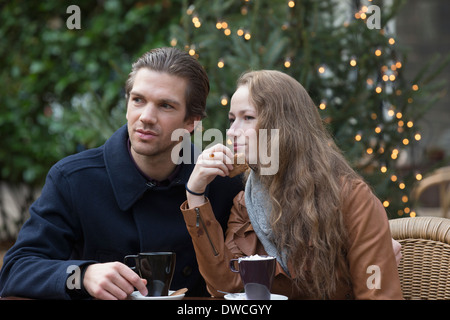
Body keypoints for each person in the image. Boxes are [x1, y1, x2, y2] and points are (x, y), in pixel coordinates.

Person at [0, 47, 243, 300]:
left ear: (191, 122)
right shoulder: (73, 179)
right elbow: (16, 270)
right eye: (138, 100)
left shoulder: (222, 184)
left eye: (165, 106)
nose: (146, 117)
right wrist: (82, 275)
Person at [181, 70, 403, 299]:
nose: (232, 132)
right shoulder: (246, 202)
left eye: (247, 118)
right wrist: (195, 195)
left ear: (283, 127)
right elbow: (225, 287)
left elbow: (378, 294)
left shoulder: (351, 198)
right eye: (231, 119)